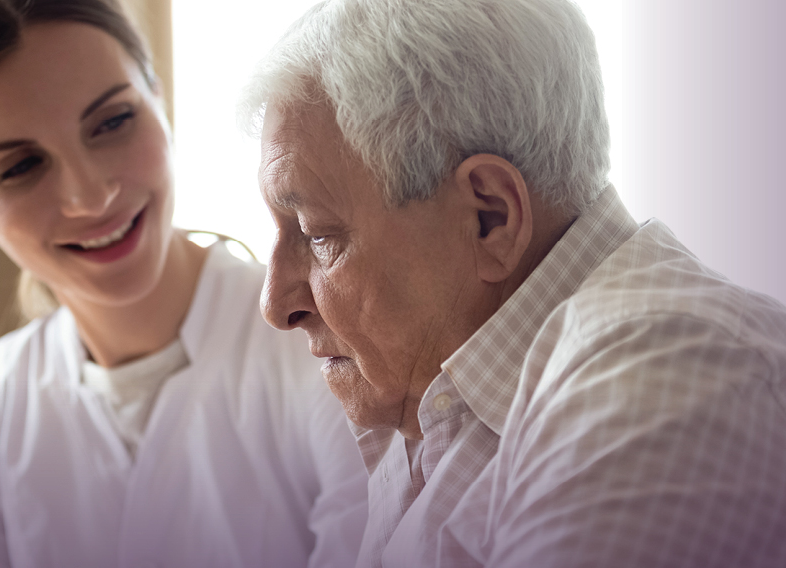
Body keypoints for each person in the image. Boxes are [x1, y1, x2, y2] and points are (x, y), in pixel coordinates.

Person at [240, 0, 786, 566]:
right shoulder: (446, 401)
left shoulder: (660, 382)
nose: (274, 302)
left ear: (490, 217)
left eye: (316, 234)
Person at [0, 1, 369, 566]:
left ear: (159, 98)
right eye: (21, 166)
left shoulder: (324, 345)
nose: (90, 196)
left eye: (113, 122)